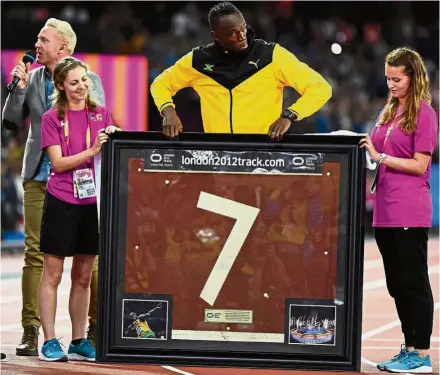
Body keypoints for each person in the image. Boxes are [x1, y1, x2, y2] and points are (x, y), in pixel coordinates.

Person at [1, 18, 105, 355]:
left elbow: (100, 118)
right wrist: (15, 91)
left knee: (91, 260)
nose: (37, 44)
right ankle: (32, 331)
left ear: (63, 47)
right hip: (40, 177)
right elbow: (11, 121)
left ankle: (93, 327)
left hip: (82, 180)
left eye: (44, 39)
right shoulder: (30, 79)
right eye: (38, 38)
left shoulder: (89, 80)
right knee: (35, 256)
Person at [360, 47, 438, 374]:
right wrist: (366, 152)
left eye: (397, 79)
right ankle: (408, 349)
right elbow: (378, 155)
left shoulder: (424, 113)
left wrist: (381, 158)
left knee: (413, 282)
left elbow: (421, 164)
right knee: (396, 284)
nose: (390, 84)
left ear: (413, 76)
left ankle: (421, 354)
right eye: (388, 78)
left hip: (409, 209)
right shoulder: (389, 111)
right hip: (385, 210)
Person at [150, 1, 331, 139]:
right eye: (233, 33)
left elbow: (320, 88)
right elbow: (160, 84)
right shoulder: (199, 60)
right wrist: (168, 110)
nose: (242, 36)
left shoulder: (272, 55)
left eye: (243, 28)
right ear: (216, 36)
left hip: (265, 158)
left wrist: (289, 115)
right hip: (219, 160)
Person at [38, 57, 118, 362]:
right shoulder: (50, 118)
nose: (82, 86)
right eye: (74, 82)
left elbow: (113, 152)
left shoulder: (101, 115)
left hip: (92, 202)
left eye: (84, 80)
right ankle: (48, 341)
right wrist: (93, 150)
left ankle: (78, 339)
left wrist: (115, 140)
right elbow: (58, 163)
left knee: (84, 276)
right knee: (53, 274)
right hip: (61, 200)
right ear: (61, 86)